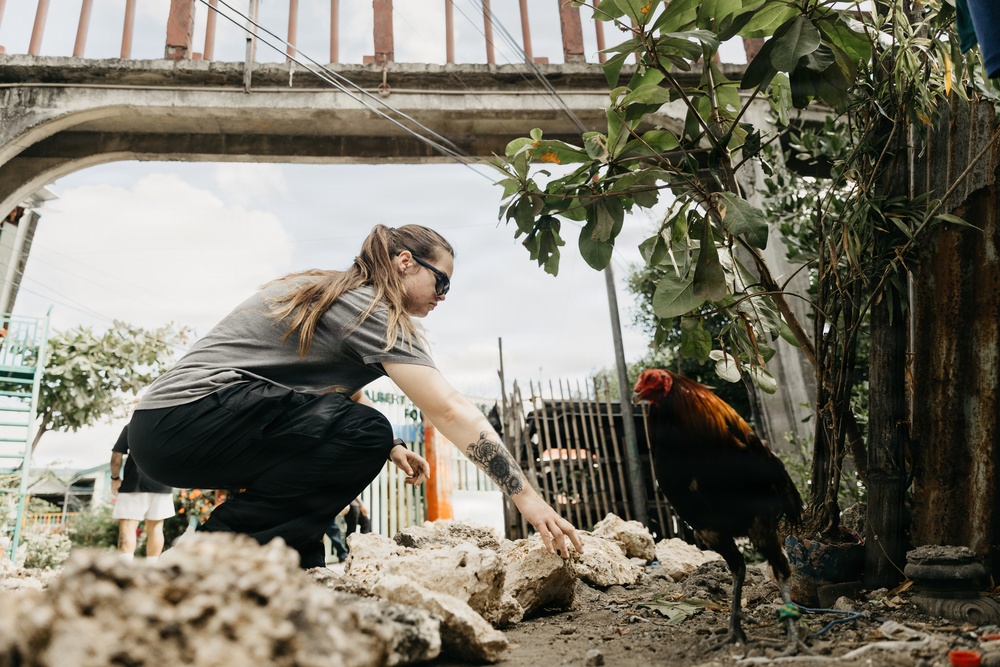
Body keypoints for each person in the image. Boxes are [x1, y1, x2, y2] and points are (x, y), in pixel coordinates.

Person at [125, 224, 583, 568]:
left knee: (339, 466)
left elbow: (312, 390)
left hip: (168, 430)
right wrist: (527, 498)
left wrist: (393, 447)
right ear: (405, 262)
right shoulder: (369, 307)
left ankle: (289, 571)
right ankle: (206, 554)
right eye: (440, 282)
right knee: (365, 431)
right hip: (187, 417)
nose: (443, 296)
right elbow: (447, 407)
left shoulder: (339, 294)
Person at [109, 426, 176, 563]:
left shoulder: (133, 425)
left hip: (134, 482)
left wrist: (115, 478)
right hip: (162, 482)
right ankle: (152, 568)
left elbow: (117, 454)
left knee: (128, 526)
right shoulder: (171, 426)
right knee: (156, 527)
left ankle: (125, 570)